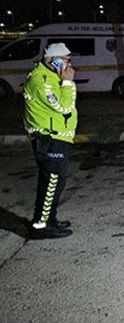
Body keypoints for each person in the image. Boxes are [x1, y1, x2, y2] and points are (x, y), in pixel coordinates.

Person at [23, 43, 77, 240]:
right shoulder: (42, 82)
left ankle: (50, 219)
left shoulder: (51, 77)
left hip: (57, 137)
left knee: (56, 183)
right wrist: (68, 83)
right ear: (53, 61)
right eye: (67, 60)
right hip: (49, 138)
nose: (71, 64)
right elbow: (64, 107)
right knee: (51, 183)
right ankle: (40, 226)